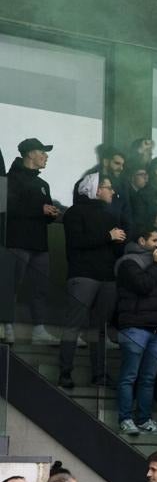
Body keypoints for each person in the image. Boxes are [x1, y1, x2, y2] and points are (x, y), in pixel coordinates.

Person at [57, 173, 123, 389]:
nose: (112, 191)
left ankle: (100, 374)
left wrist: (118, 239)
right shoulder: (74, 213)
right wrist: (108, 237)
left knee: (99, 328)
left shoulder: (111, 215)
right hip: (83, 275)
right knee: (73, 325)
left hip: (106, 278)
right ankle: (65, 372)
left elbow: (116, 248)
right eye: (108, 187)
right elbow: (77, 242)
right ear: (95, 190)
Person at [114, 226, 157, 436]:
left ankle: (144, 419)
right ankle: (125, 419)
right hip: (134, 328)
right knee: (129, 376)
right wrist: (156, 266)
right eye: (155, 241)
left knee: (148, 379)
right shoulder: (128, 262)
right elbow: (143, 286)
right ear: (142, 241)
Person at [2, 139, 59, 346]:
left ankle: (39, 329)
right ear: (30, 154)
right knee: (11, 286)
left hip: (40, 245)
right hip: (16, 242)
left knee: (40, 288)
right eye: (42, 152)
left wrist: (51, 213)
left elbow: (44, 210)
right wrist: (39, 210)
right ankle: (6, 325)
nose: (46, 156)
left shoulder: (43, 184)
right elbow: (5, 209)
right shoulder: (9, 179)